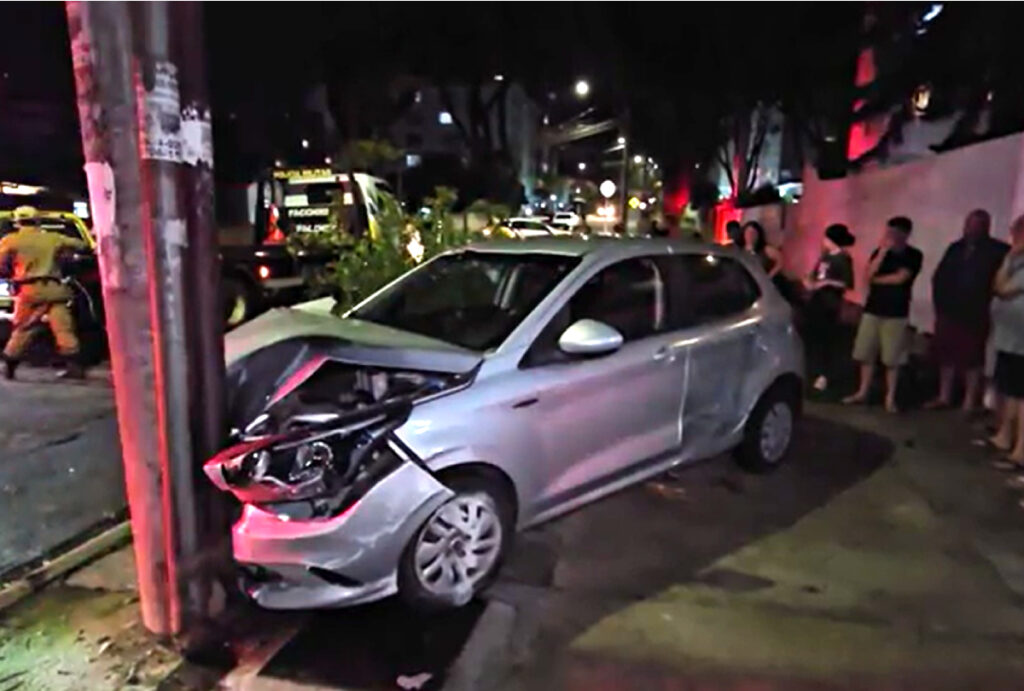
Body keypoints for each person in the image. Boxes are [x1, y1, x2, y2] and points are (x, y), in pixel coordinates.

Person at [927, 209, 1009, 412]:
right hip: (949, 310)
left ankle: (970, 401)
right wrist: (939, 305)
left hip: (975, 312)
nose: (970, 229)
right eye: (968, 224)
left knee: (972, 358)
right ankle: (944, 396)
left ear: (985, 227)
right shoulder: (956, 248)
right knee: (946, 355)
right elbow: (940, 276)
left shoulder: (997, 250)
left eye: (975, 225)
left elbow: (1001, 280)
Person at [843, 216, 923, 412]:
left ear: (904, 234)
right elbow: (868, 275)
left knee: (892, 358)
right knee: (866, 353)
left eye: (894, 233)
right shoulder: (880, 252)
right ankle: (863, 391)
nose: (890, 236)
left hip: (896, 312)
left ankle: (890, 397)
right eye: (888, 232)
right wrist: (882, 253)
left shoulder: (913, 255)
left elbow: (901, 279)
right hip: (873, 309)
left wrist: (878, 280)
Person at [0, 206, 89, 380]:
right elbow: (82, 246)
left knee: (24, 328)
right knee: (64, 328)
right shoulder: (52, 238)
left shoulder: (11, 240)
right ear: (37, 220)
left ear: (18, 222)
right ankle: (74, 367)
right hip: (55, 290)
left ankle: (10, 364)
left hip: (29, 290)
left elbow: (1, 264)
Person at [988, 215, 1024, 467]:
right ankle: (1005, 436)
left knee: (1021, 395)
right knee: (1011, 391)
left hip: (1021, 341)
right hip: (1009, 338)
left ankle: (1020, 450)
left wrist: (1010, 258)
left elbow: (1003, 288)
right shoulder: (1017, 261)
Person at [803, 223, 856, 392]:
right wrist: (809, 282)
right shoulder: (824, 257)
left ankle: (824, 374)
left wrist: (825, 283)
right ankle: (813, 371)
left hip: (830, 303)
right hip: (816, 301)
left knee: (827, 339)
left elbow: (847, 283)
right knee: (814, 337)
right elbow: (814, 275)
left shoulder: (843, 258)